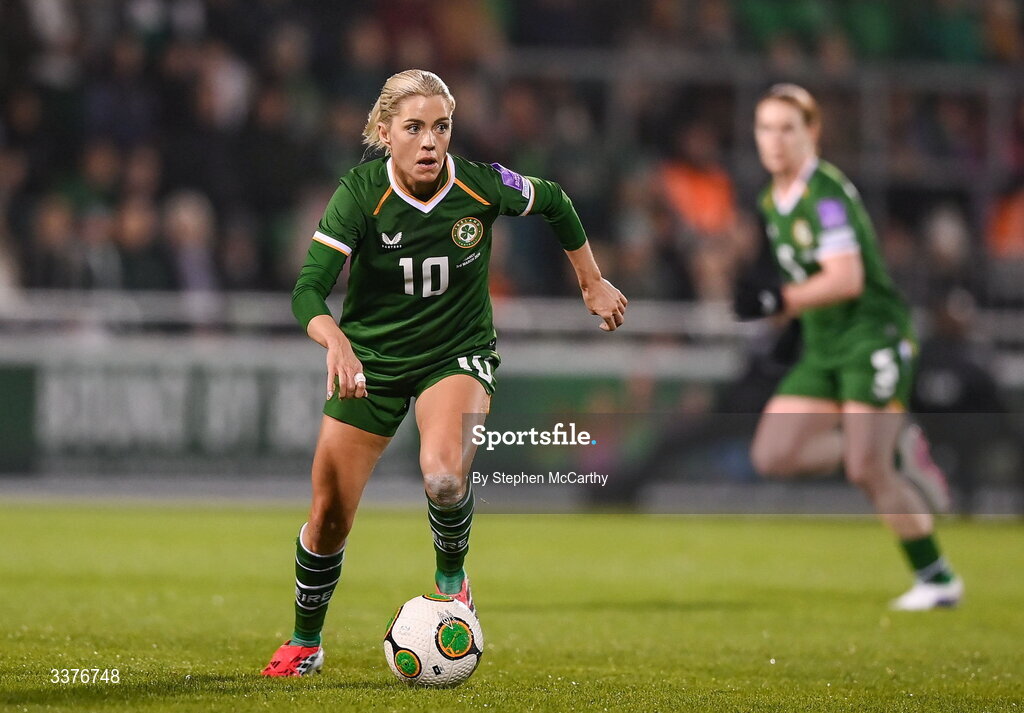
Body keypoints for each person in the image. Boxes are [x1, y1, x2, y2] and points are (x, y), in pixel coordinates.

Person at [261, 69, 627, 677]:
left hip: (454, 355)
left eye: (441, 127)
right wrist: (336, 342)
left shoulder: (480, 187)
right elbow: (307, 293)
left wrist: (591, 281)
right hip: (371, 363)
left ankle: (453, 583)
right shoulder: (359, 194)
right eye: (414, 128)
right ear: (385, 133)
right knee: (328, 516)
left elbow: (556, 201)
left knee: (443, 477)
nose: (430, 141)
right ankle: (306, 642)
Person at [733, 84, 962, 611]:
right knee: (774, 454)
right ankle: (890, 445)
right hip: (823, 344)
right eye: (765, 128)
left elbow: (847, 278)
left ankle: (938, 578)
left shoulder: (826, 193)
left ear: (812, 133)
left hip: (868, 338)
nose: (775, 140)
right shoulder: (774, 198)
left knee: (866, 471)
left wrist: (778, 297)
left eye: (788, 128)